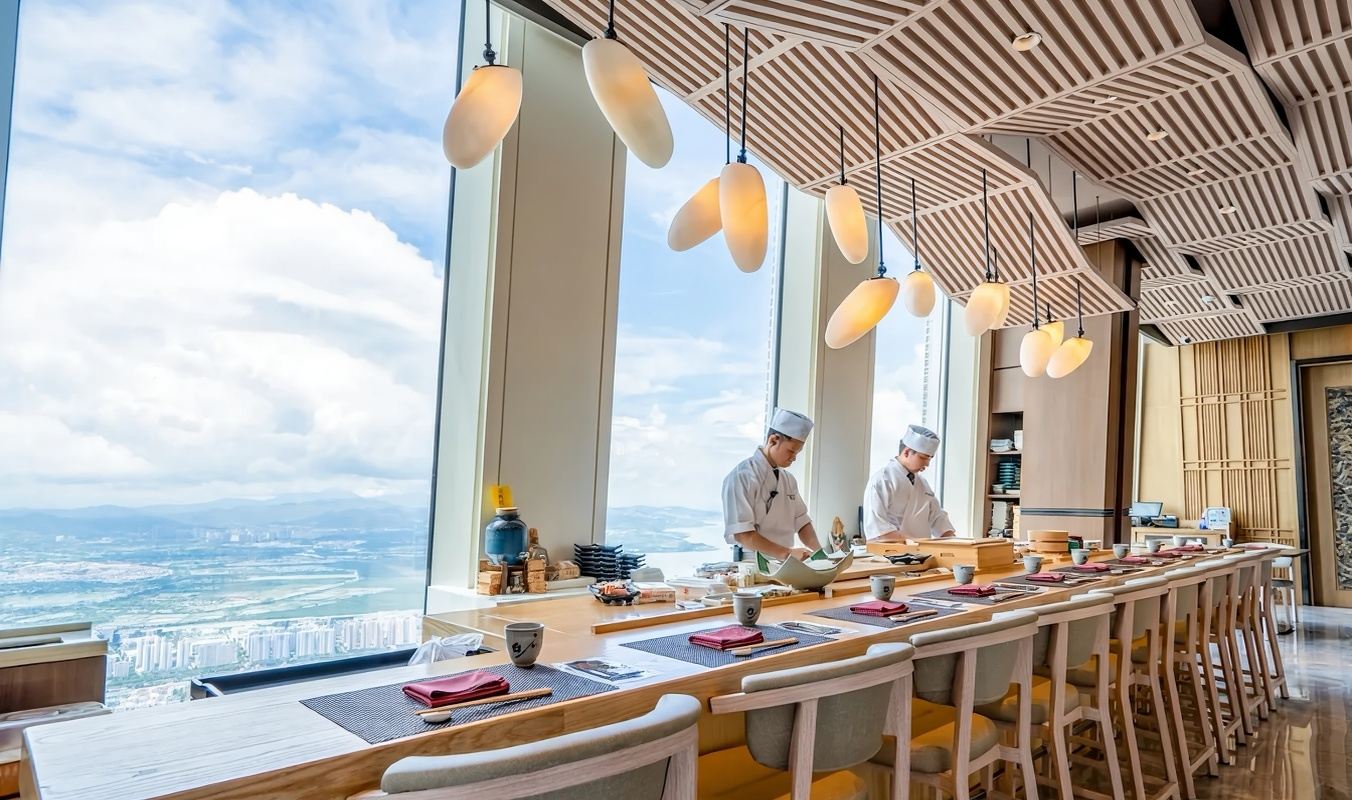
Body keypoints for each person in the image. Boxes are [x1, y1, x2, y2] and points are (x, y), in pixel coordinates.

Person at [721, 408, 823, 561]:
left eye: (797, 453)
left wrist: (820, 554)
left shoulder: (788, 480)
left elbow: (802, 522)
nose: (793, 458)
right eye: (791, 451)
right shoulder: (741, 477)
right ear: (773, 440)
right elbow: (743, 534)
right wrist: (787, 553)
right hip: (752, 564)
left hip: (787, 563)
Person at [862, 423, 956, 541]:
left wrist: (954, 541)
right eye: (923, 458)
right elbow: (879, 529)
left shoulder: (923, 483)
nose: (927, 464)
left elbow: (938, 517)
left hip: (922, 553)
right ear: (906, 452)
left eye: (929, 459)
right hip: (890, 555)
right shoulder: (882, 480)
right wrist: (916, 543)